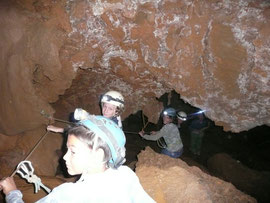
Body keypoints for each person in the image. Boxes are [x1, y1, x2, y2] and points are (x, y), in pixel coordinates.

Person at [0, 114, 156, 203]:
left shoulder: (68, 194)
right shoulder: (125, 174)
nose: (65, 157)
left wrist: (12, 193)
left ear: (98, 155)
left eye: (73, 151)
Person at [47, 90, 125, 133]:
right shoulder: (115, 118)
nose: (105, 111)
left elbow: (83, 132)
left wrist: (59, 130)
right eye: (105, 106)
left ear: (117, 111)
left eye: (110, 109)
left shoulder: (111, 125)